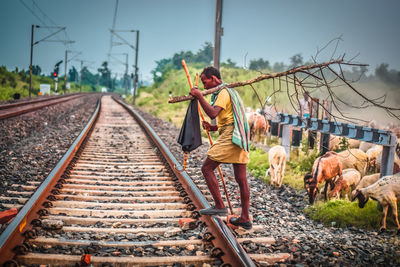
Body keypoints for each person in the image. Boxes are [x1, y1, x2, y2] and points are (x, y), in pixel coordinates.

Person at [189, 66, 252, 229]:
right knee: (241, 178)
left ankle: (219, 206)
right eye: (202, 84)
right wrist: (213, 128)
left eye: (205, 82)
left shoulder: (223, 92)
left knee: (207, 168)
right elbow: (229, 118)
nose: (204, 87)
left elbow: (212, 113)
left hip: (231, 136)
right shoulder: (229, 92)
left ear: (214, 79)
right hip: (238, 133)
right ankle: (245, 218)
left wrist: (198, 96)